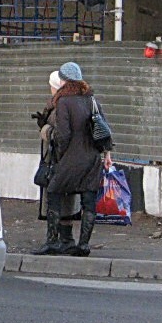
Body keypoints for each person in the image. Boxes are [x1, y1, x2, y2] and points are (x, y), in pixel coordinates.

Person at [32, 61, 106, 257]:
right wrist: (106, 154)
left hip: (70, 160)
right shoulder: (91, 100)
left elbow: (63, 135)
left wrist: (49, 135)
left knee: (54, 193)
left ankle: (52, 242)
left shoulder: (64, 102)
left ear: (63, 81)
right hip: (92, 159)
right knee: (88, 202)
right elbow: (103, 130)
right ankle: (83, 245)